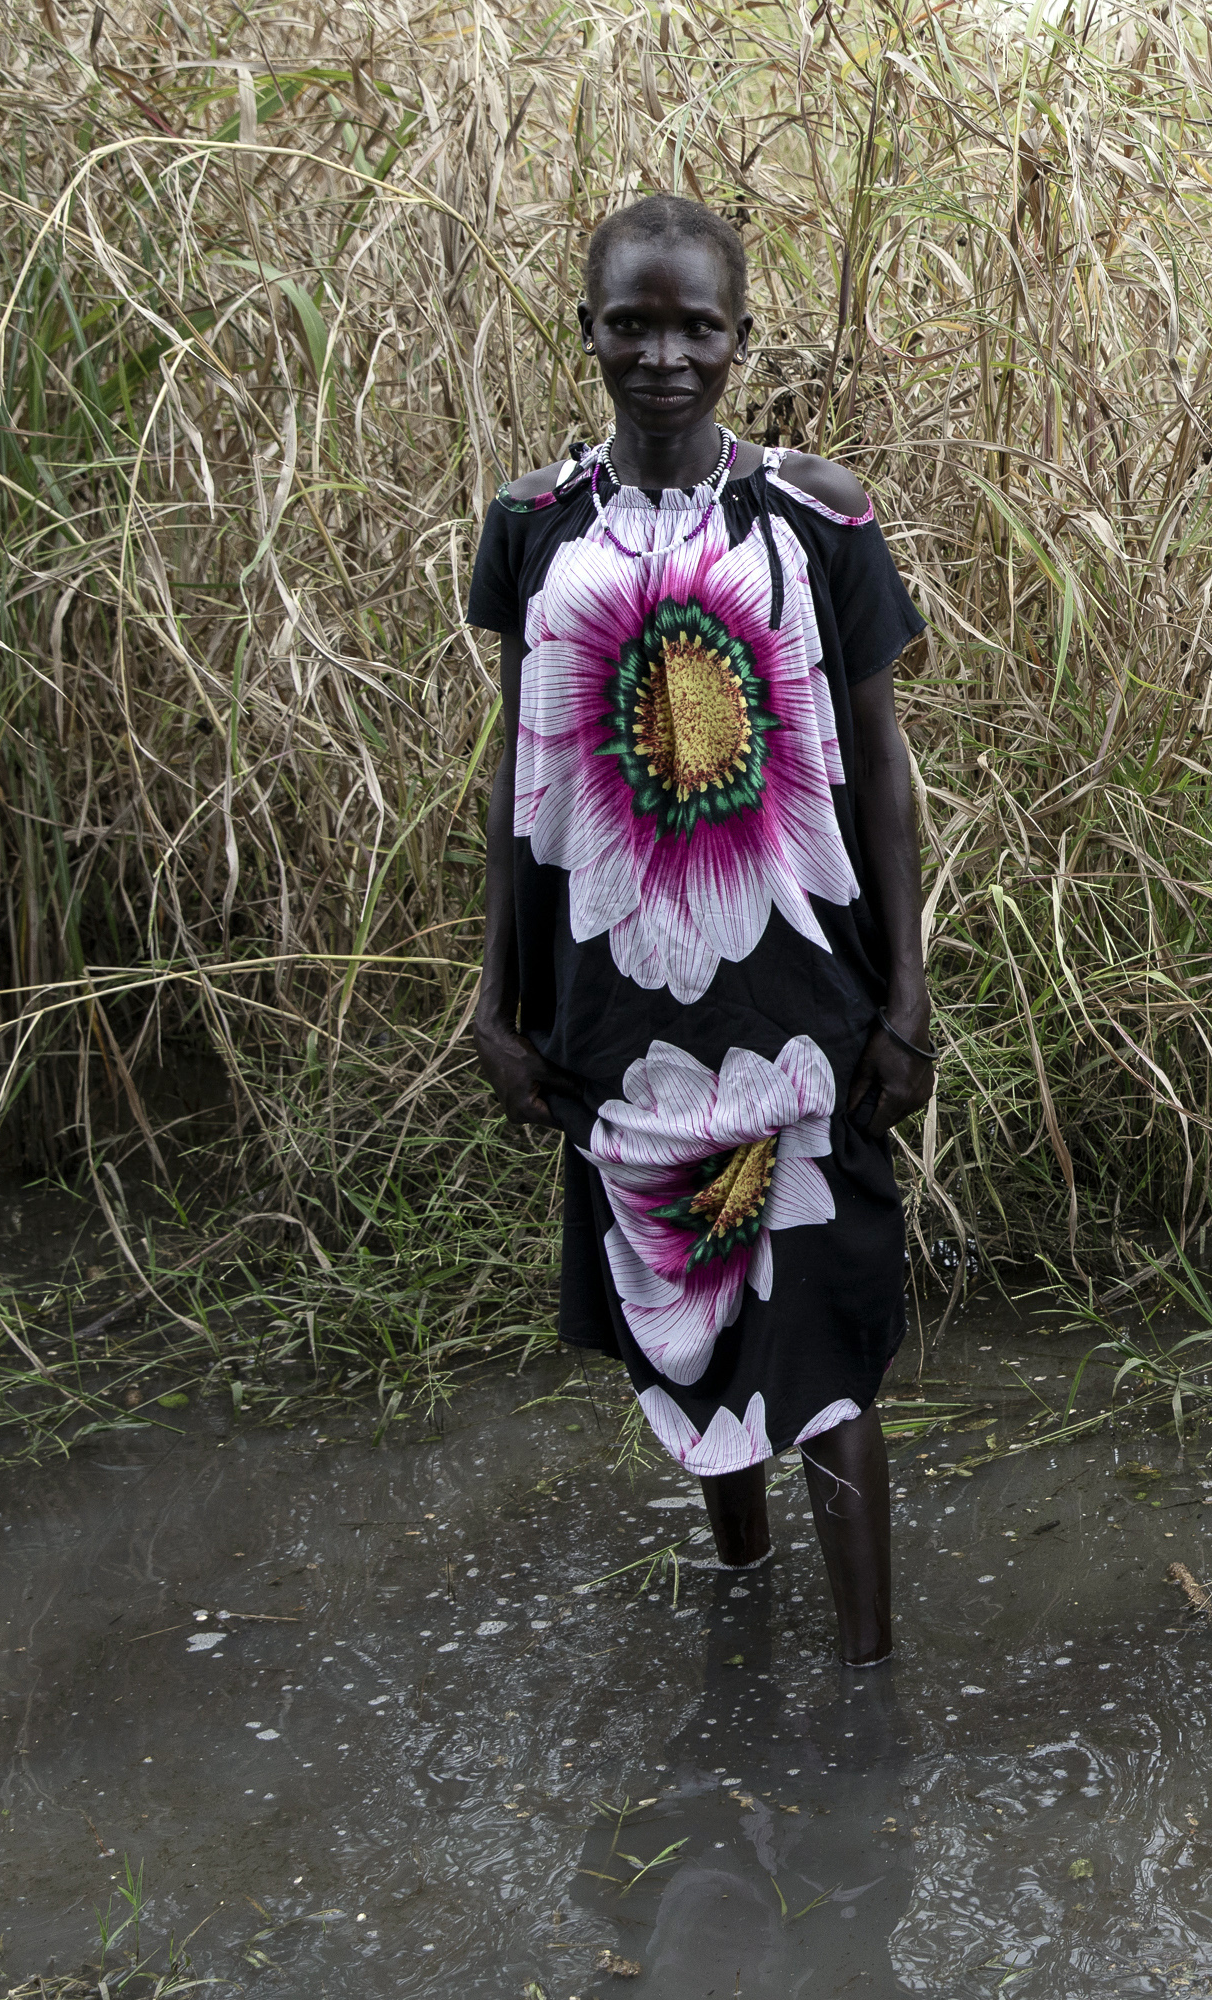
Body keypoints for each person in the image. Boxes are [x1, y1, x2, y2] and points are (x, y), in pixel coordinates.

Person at [465, 194, 934, 1667]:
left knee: (829, 1323)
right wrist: (495, 996)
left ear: (742, 339)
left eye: (696, 327)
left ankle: (864, 1701)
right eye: (632, 324)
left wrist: (909, 992)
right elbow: (519, 772)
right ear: (589, 330)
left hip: (807, 987)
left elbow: (885, 767)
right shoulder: (534, 527)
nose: (664, 355)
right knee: (686, 1304)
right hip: (617, 1000)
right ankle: (747, 1615)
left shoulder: (815, 514)